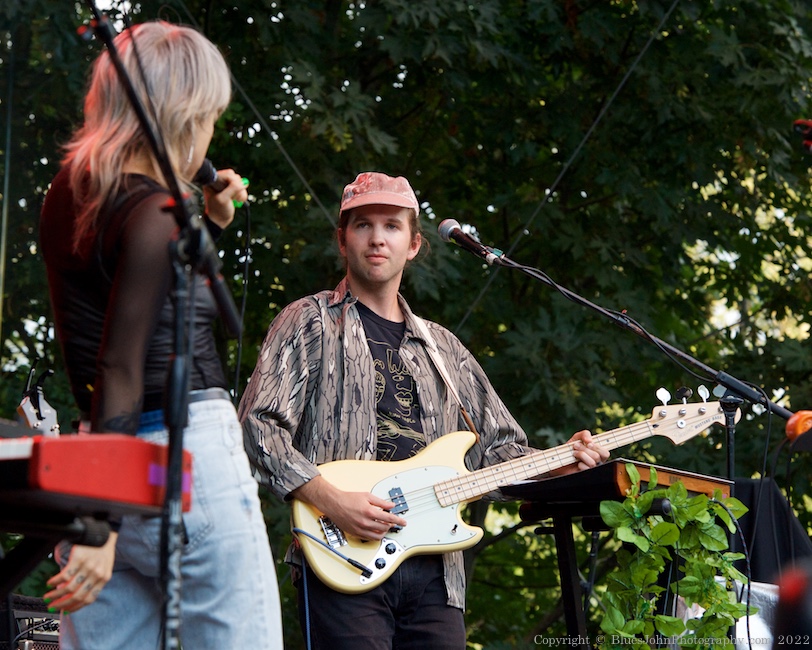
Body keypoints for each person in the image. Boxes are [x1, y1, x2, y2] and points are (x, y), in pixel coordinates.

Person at [239, 171, 610, 649]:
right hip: (341, 562)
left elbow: (498, 452)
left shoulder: (445, 349)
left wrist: (559, 461)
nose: (377, 238)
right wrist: (332, 500)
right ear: (342, 240)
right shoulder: (308, 322)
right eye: (363, 225)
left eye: (392, 226)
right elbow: (257, 426)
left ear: (413, 244)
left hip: (437, 573)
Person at [38, 20, 283, 649]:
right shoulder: (155, 212)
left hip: (101, 449)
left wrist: (213, 220)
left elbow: (148, 307)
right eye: (207, 117)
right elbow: (123, 362)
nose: (209, 134)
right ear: (181, 115)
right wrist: (103, 521)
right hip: (185, 461)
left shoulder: (66, 195)